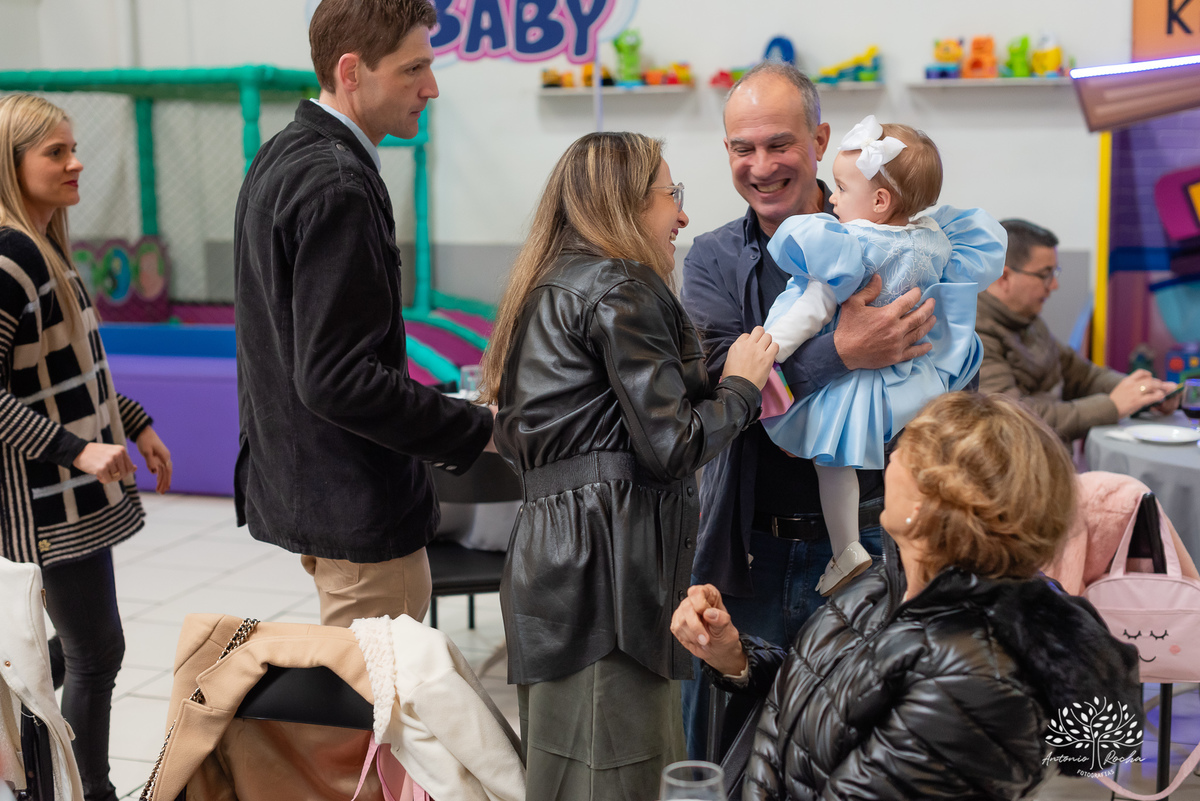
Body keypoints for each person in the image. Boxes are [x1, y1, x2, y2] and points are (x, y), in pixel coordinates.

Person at [477, 131, 777, 801]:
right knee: (617, 773)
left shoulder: (548, 284)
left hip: (557, 573)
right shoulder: (621, 284)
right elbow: (671, 445)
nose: (683, 216)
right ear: (626, 203)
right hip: (608, 583)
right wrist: (742, 387)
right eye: (672, 195)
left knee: (565, 768)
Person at [672, 392, 1144, 800]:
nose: (888, 456)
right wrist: (737, 656)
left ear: (932, 501)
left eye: (905, 450)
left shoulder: (974, 685)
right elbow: (838, 698)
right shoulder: (888, 586)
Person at [679, 60, 937, 757]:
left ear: (820, 139)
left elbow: (933, 364)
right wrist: (845, 351)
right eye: (743, 147)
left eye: (779, 143)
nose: (761, 165)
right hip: (749, 549)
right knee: (737, 739)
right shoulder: (710, 262)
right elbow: (719, 389)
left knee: (861, 739)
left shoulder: (896, 238)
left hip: (871, 544)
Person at [234, 0, 494, 628]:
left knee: (367, 708)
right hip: (354, 501)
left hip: (310, 488)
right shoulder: (337, 183)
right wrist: (476, 427)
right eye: (413, 71)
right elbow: (336, 378)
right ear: (351, 71)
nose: (431, 88)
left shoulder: (283, 152)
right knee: (380, 717)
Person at [0, 93, 173, 801]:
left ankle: (35, 757)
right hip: (46, 499)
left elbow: (69, 374)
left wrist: (132, 421)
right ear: (11, 165)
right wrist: (76, 450)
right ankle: (83, 789)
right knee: (95, 651)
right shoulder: (11, 258)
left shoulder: (46, 248)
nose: (76, 163)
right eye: (55, 153)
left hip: (70, 489)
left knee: (77, 654)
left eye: (74, 148)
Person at [762, 115, 1005, 595]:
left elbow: (812, 309)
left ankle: (846, 549)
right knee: (911, 458)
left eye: (840, 187)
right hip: (917, 375)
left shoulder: (850, 246)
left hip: (855, 385)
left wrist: (770, 351)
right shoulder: (936, 240)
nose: (830, 198)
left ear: (878, 201)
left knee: (834, 462)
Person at [978, 218, 1177, 442]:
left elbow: (1082, 376)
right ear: (1005, 277)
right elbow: (1013, 417)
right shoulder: (976, 334)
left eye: (1055, 273)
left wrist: (1144, 392)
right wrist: (1112, 406)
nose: (1054, 285)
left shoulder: (1028, 320)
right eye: (1045, 275)